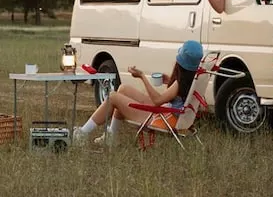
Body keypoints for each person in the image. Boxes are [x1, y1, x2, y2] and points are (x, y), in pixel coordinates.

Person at [72, 40, 203, 145]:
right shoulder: (192, 79)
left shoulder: (179, 84)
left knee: (113, 97)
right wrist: (168, 81)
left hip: (162, 119)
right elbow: (176, 95)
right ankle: (111, 136)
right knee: (123, 89)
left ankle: (83, 134)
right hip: (172, 115)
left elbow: (158, 101)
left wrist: (142, 77)